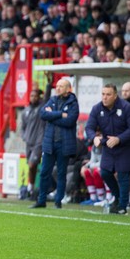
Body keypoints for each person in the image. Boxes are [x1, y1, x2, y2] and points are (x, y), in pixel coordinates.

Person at [31, 78, 79, 209]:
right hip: (49, 143)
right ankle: (41, 200)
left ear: (68, 89)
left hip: (64, 144)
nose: (57, 88)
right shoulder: (52, 99)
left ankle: (58, 202)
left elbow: (69, 121)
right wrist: (60, 114)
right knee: (44, 172)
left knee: (61, 173)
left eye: (61, 86)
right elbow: (43, 114)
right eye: (57, 86)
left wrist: (52, 117)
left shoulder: (73, 103)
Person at [85, 83, 130, 215]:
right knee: (105, 172)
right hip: (108, 147)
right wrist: (94, 138)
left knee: (123, 176)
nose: (104, 97)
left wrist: (119, 139)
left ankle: (122, 206)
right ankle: (117, 198)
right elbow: (89, 127)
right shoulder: (97, 108)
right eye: (103, 94)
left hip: (125, 147)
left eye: (108, 94)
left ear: (115, 96)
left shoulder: (127, 107)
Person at [21, 75, 52, 198]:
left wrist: (48, 85)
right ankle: (31, 188)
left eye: (35, 96)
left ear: (39, 97)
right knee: (31, 167)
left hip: (39, 142)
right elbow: (22, 127)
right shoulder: (26, 110)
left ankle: (37, 188)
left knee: (32, 164)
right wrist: (24, 137)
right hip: (28, 142)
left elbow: (47, 98)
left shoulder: (41, 108)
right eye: (31, 96)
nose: (33, 98)